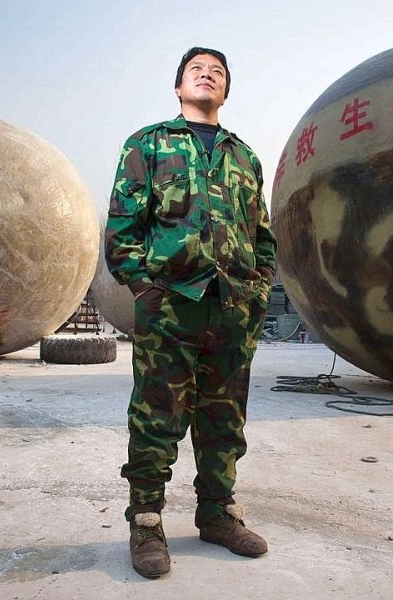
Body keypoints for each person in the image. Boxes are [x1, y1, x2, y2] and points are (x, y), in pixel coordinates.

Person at [105, 46, 277, 578]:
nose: (207, 76)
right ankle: (147, 520)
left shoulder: (245, 157)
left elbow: (262, 235)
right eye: (197, 70)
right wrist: (142, 288)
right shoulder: (149, 144)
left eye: (218, 72)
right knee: (157, 415)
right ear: (179, 87)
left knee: (225, 416)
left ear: (226, 90)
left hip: (232, 308)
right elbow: (122, 226)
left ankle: (217, 512)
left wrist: (259, 291)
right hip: (171, 305)